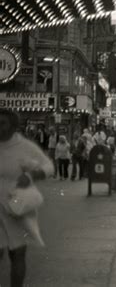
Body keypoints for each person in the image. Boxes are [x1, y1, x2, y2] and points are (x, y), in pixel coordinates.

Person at [0, 109, 54, 287]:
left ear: (14, 127)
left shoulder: (24, 147)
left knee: (17, 253)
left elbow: (48, 167)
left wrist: (31, 175)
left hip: (15, 206)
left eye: (3, 124)